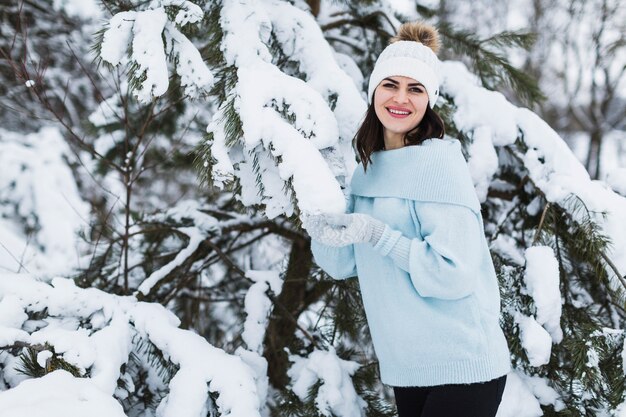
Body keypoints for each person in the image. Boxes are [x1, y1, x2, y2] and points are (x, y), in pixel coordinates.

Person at [302, 21, 511, 417]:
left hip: (463, 365)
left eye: (415, 89)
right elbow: (341, 263)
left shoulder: (439, 165)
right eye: (390, 85)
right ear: (374, 91)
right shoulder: (368, 170)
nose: (401, 98)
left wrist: (380, 235)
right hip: (408, 369)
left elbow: (453, 274)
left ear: (428, 100)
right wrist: (317, 209)